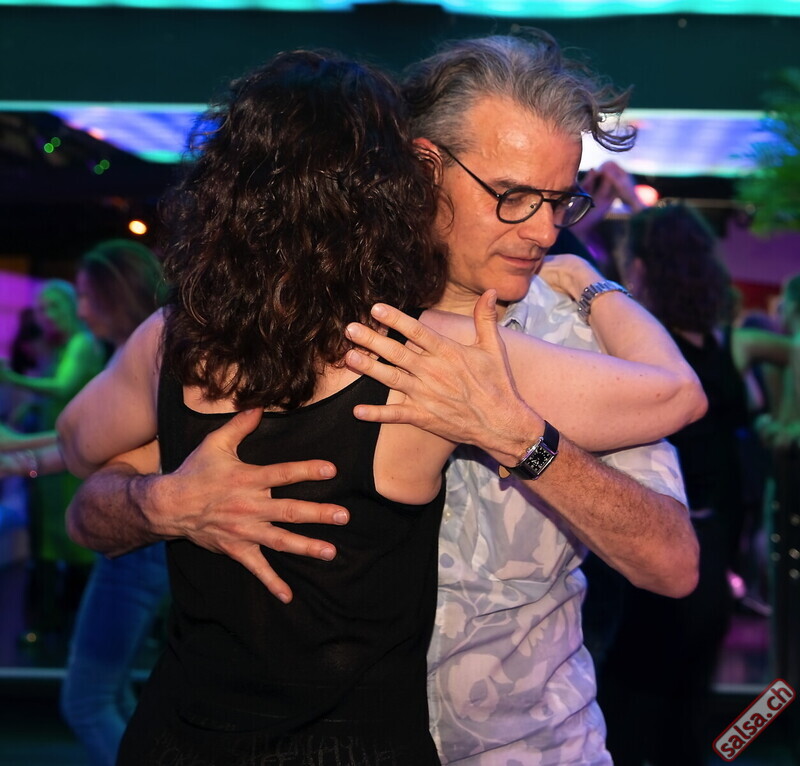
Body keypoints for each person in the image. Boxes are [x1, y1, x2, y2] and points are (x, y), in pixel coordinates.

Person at [57, 33, 705, 765]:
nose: (545, 229)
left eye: (561, 202)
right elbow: (93, 496)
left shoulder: (571, 333)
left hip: (521, 750)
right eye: (514, 197)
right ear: (421, 166)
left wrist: (528, 434)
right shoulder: (316, 332)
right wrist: (161, 503)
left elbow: (673, 562)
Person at [595, 202, 748, 766]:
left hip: (666, 542)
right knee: (684, 711)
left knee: (631, 708)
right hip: (713, 543)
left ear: (642, 267)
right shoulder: (717, 343)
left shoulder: (650, 355)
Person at [60, 239, 170, 766]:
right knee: (115, 695)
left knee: (87, 701)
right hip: (148, 540)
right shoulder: (153, 348)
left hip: (137, 540)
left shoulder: (149, 350)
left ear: (115, 293)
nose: (81, 310)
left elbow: (79, 444)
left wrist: (27, 458)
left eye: (87, 296)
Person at [0, 279, 105, 651]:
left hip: (68, 461)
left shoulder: (82, 344)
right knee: (45, 538)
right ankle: (49, 624)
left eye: (54, 306)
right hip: (48, 460)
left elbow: (63, 388)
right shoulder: (60, 347)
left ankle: (70, 625)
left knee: (72, 538)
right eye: (42, 309)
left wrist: (10, 378)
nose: (47, 316)